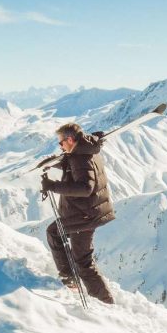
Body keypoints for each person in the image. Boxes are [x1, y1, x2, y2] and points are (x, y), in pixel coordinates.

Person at [40, 123, 116, 304]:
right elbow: (77, 169)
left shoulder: (80, 158)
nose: (60, 146)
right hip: (86, 212)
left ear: (70, 140)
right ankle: (71, 278)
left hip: (85, 216)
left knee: (82, 260)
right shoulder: (86, 151)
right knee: (57, 235)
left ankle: (104, 301)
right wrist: (58, 163)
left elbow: (85, 188)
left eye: (61, 143)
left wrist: (53, 186)